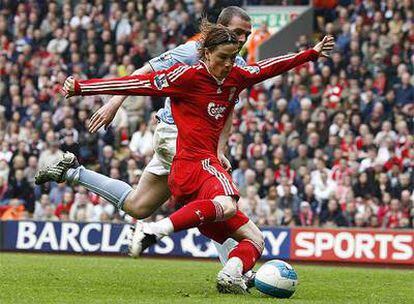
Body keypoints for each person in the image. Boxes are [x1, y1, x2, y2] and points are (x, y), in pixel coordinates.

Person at [37, 21, 333, 293]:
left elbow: (268, 67)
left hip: (192, 171)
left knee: (255, 240)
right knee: (227, 203)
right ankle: (154, 230)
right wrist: (82, 88)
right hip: (195, 162)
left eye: (234, 57)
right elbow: (137, 83)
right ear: (205, 53)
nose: (229, 64)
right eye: (223, 58)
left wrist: (310, 54)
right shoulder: (187, 76)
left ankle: (230, 274)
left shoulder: (236, 76)